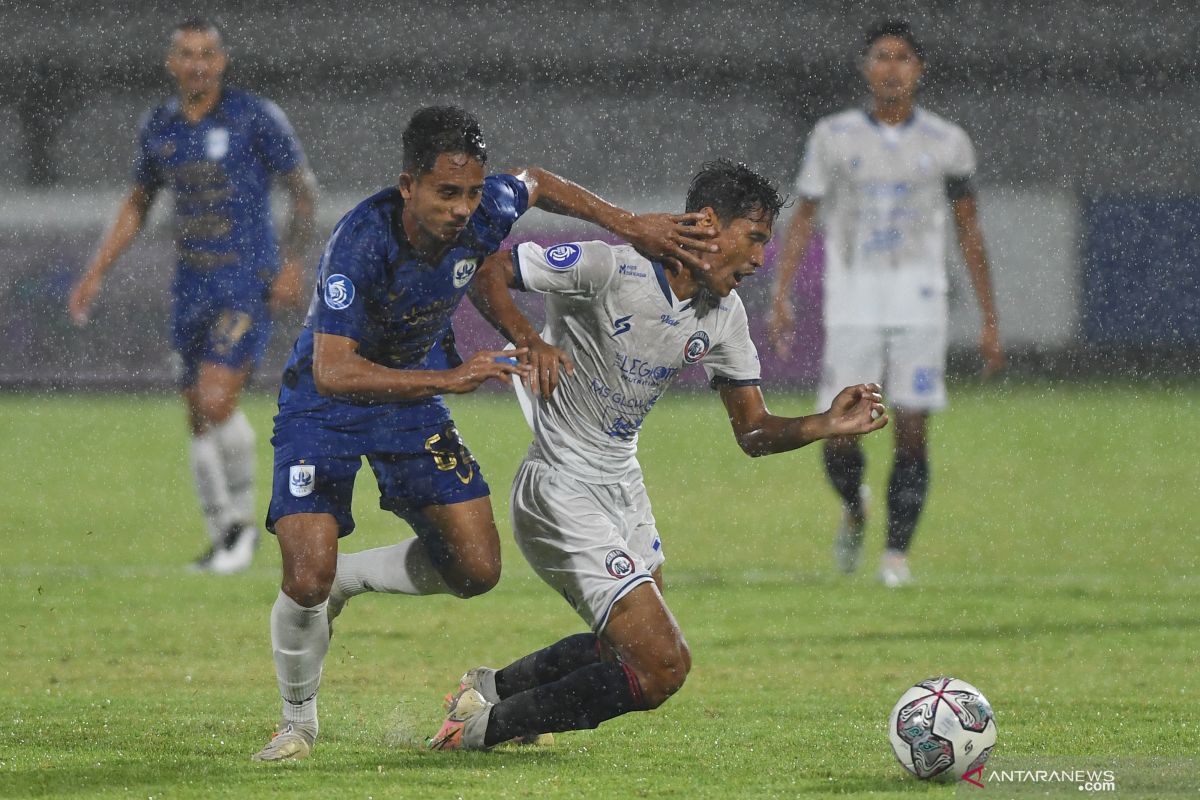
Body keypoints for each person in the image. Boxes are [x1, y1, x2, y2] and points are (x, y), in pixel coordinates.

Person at [253, 105, 720, 762]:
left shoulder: (484, 208)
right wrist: (451, 381)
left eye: (471, 193)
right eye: (447, 193)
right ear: (408, 183)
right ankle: (297, 722)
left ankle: (348, 578)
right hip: (327, 401)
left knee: (475, 569)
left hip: (411, 396)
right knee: (304, 574)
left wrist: (625, 225)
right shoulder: (364, 240)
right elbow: (332, 368)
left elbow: (534, 181)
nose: (463, 208)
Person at [425, 159, 888, 751]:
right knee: (662, 666)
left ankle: (488, 690)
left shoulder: (725, 315)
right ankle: (480, 732)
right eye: (754, 238)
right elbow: (485, 267)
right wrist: (529, 339)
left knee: (629, 649)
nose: (758, 259)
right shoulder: (610, 267)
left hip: (623, 484)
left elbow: (752, 433)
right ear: (709, 224)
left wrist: (824, 423)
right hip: (559, 486)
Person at [67, 18, 318, 574]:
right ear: (172, 63)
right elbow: (138, 203)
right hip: (190, 285)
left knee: (213, 400)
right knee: (198, 415)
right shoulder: (160, 126)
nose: (198, 63)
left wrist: (295, 263)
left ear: (222, 61)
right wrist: (96, 271)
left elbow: (302, 190)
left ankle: (245, 530)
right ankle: (226, 532)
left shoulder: (254, 116)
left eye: (208, 53)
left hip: (244, 281)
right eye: (188, 54)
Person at [766, 19, 1004, 588]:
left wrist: (990, 317)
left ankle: (896, 554)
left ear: (918, 69)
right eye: (881, 56)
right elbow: (804, 217)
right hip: (852, 303)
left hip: (920, 303)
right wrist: (780, 293)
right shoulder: (834, 136)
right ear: (866, 69)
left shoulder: (947, 142)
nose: (892, 67)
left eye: (902, 57)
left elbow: (969, 230)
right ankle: (854, 506)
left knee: (913, 428)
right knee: (840, 429)